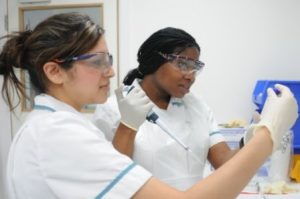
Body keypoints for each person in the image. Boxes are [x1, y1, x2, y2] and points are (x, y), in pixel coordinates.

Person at [0, 13, 297, 199]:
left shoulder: (56, 126)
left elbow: (224, 163)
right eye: (98, 61)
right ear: (54, 72)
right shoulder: (62, 133)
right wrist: (268, 134)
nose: (111, 72)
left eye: (110, 60)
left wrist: (250, 137)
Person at [92, 27, 238, 189]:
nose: (190, 76)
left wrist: (254, 137)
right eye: (182, 64)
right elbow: (109, 178)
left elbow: (225, 163)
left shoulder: (197, 107)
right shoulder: (113, 109)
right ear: (155, 60)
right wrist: (127, 127)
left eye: (195, 67)